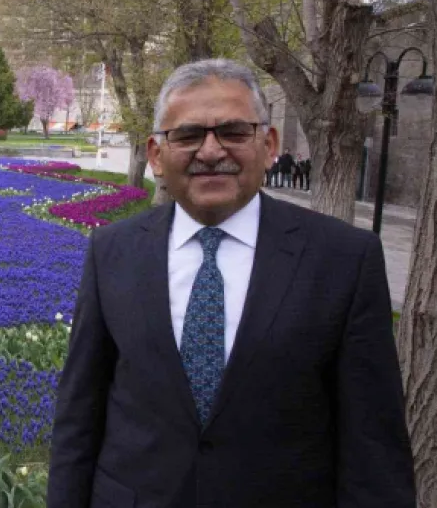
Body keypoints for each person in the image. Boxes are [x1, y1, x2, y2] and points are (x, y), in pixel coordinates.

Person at [48, 59, 413, 508]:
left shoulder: (343, 259)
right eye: (187, 135)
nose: (210, 151)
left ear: (268, 143)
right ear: (157, 155)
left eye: (234, 132)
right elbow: (77, 419)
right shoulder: (113, 251)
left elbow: (374, 449)